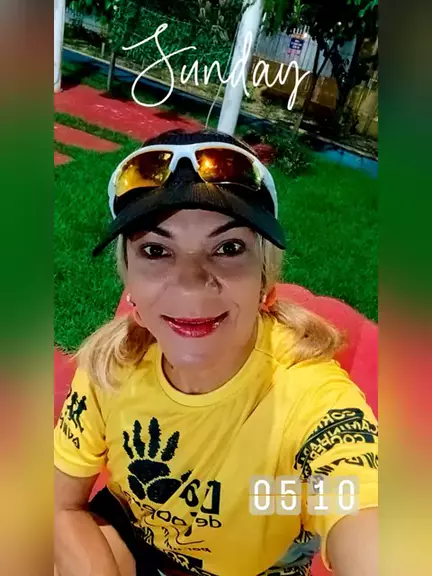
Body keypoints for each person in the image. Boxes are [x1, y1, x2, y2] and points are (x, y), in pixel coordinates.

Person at [54, 129, 378, 576]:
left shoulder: (308, 396)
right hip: (134, 532)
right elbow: (58, 505)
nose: (191, 283)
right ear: (130, 286)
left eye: (228, 248)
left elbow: (364, 508)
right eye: (156, 250)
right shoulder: (111, 367)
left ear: (265, 280)